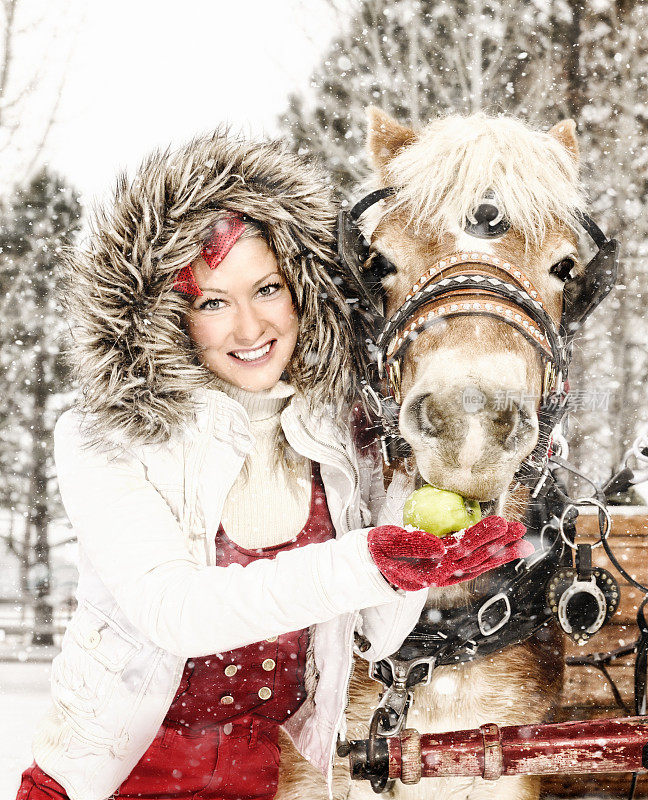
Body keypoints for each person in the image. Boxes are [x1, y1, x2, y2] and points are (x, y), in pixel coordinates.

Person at [16, 132, 531, 800]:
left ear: (302, 293)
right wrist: (367, 561)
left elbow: (375, 632)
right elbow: (175, 613)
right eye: (212, 301)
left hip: (278, 781)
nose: (249, 326)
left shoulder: (341, 436)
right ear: (170, 316)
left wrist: (418, 548)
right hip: (117, 781)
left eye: (267, 289)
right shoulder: (103, 438)